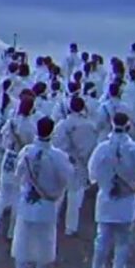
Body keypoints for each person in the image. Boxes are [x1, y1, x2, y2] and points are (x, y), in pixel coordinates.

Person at [10, 117, 74, 268]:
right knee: (44, 243)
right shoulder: (58, 156)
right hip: (47, 204)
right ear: (52, 133)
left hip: (27, 202)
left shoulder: (26, 152)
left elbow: (18, 174)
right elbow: (67, 178)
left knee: (22, 240)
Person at [87, 112, 135, 268]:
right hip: (126, 200)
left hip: (106, 198)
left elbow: (92, 172)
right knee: (123, 242)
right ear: (128, 127)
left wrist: (104, 183)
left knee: (101, 241)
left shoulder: (102, 148)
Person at [0, 94, 37, 240]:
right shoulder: (31, 126)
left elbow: (3, 135)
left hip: (8, 156)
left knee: (2, 195)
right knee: (17, 197)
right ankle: (11, 232)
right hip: (21, 160)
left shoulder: (12, 121)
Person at [53, 96, 98, 236]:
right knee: (75, 196)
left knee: (58, 195)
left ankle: (52, 221)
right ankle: (70, 227)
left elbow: (55, 145)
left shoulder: (61, 125)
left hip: (63, 162)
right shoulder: (89, 125)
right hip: (79, 164)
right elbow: (90, 149)